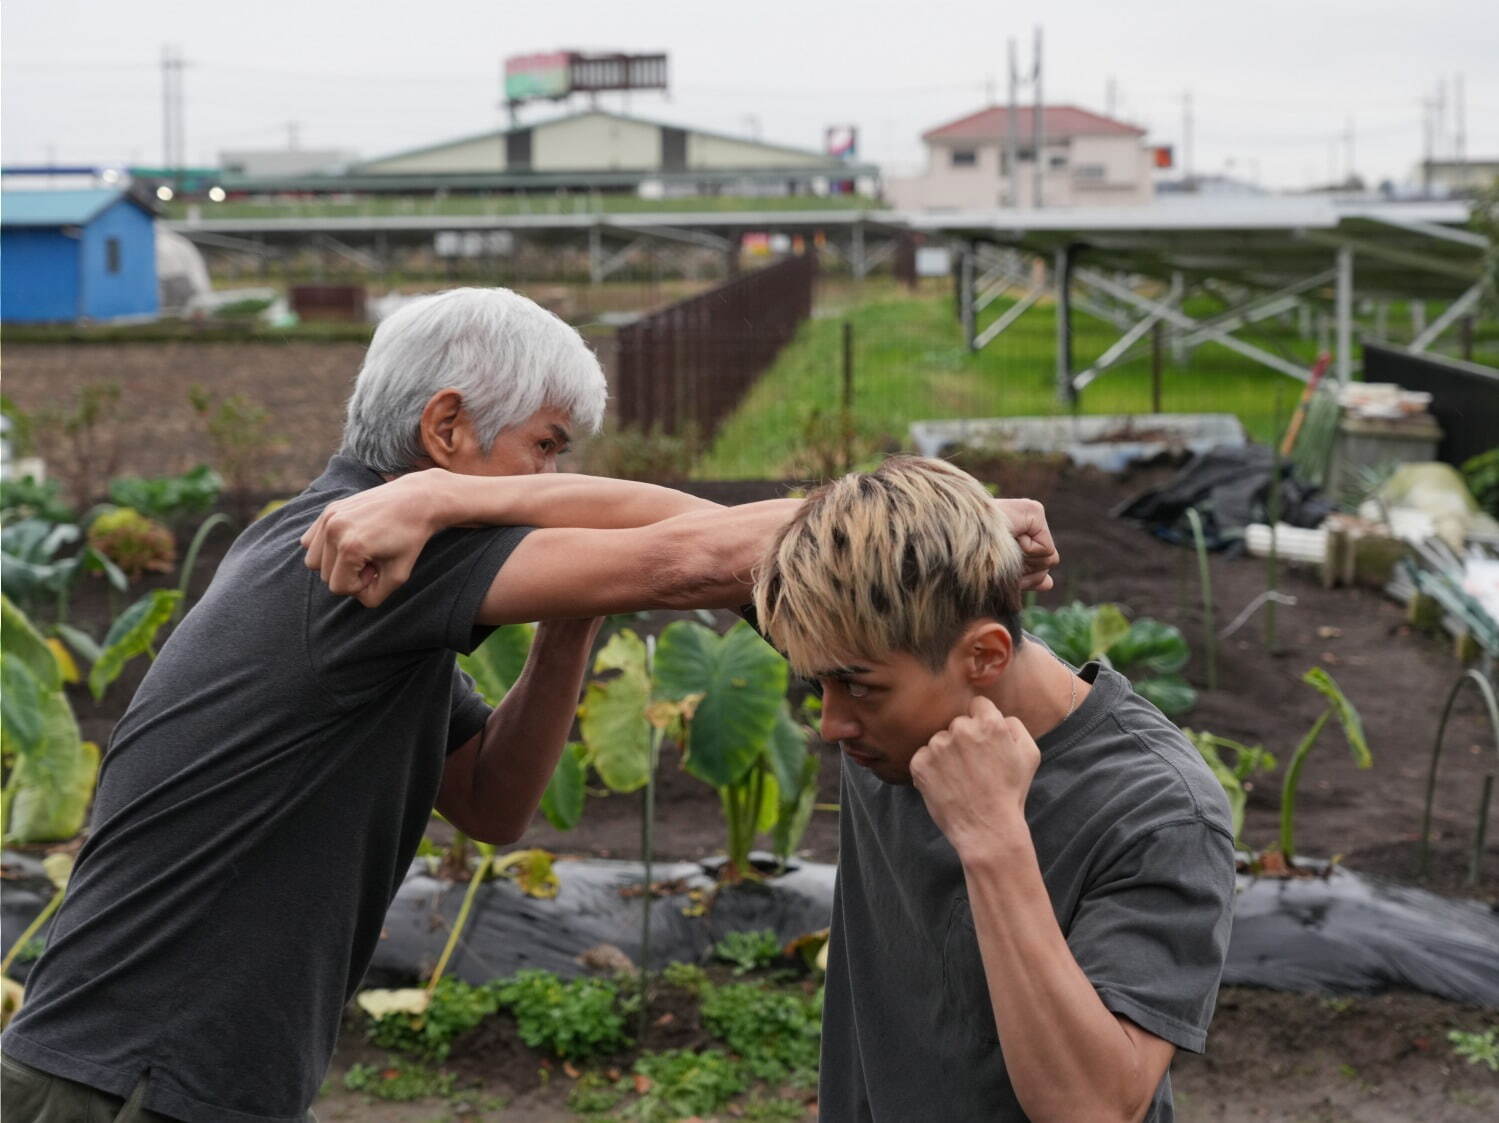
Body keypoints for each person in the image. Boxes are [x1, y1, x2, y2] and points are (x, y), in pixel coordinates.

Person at [1, 288, 1059, 1123]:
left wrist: (570, 609)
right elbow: (693, 556)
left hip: (156, 1078)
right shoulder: (361, 564)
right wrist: (945, 524)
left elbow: (492, 800)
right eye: (547, 449)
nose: (554, 481)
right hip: (122, 1086)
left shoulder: (316, 550)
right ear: (448, 428)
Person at [750, 456, 1236, 1123]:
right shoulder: (880, 646)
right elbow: (648, 540)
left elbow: (1093, 1107)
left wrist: (993, 836)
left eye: (857, 687)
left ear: (984, 656)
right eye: (818, 685)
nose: (832, 723)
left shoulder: (1158, 809)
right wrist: (943, 521)